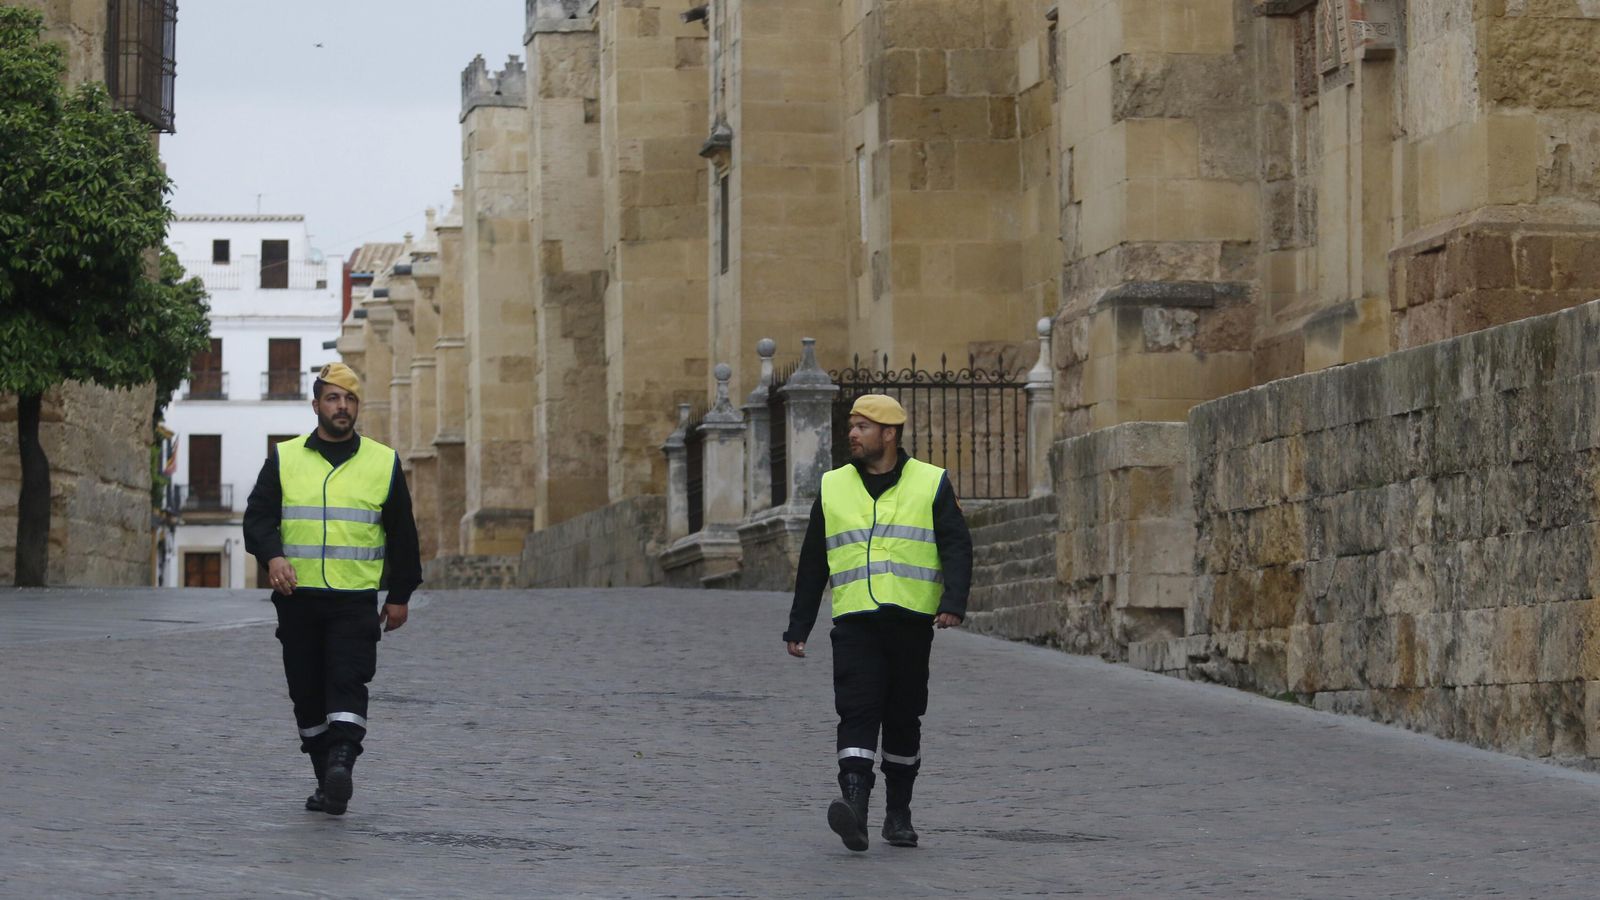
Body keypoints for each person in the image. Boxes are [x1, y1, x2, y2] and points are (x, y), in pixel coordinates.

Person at [783, 393, 973, 852]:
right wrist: (799, 625)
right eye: (851, 425)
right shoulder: (833, 486)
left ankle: (898, 813)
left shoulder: (931, 483)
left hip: (910, 621)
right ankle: (855, 808)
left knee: (904, 716)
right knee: (857, 708)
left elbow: (956, 546)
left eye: (862, 426)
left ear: (888, 434)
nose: (852, 433)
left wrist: (953, 601)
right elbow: (814, 562)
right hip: (855, 621)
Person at [243, 362, 422, 816]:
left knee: (347, 679)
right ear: (316, 404)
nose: (342, 407)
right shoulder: (285, 458)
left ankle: (343, 760)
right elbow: (259, 518)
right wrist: (273, 555)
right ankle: (328, 781)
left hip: (353, 601)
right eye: (333, 398)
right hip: (297, 599)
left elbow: (402, 533)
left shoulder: (383, 461)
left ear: (357, 406)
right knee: (306, 691)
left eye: (350, 399)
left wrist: (399, 594)